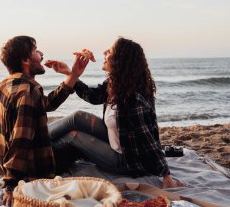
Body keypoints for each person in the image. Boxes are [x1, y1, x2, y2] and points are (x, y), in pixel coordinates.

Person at [49, 37, 184, 188]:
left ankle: (39, 149)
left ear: (120, 60)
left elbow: (149, 138)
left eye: (110, 51)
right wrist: (70, 73)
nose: (104, 52)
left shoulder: (133, 99)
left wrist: (166, 174)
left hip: (126, 161)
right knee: (77, 116)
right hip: (118, 141)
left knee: (74, 135)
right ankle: (38, 137)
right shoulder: (116, 84)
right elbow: (92, 96)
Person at [0, 35, 88, 207]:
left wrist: (73, 74)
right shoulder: (28, 92)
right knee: (76, 146)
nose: (42, 55)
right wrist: (11, 185)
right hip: (29, 171)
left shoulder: (5, 84)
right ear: (25, 60)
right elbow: (20, 140)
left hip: (3, 163)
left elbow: (47, 104)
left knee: (62, 138)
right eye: (36, 51)